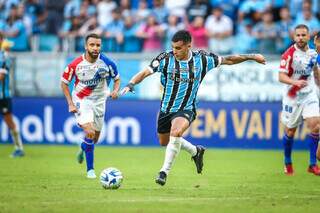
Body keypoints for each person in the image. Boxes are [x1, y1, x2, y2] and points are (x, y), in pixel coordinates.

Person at [121, 30, 266, 186]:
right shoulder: (165, 58)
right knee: (165, 142)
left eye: (178, 48)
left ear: (188, 46)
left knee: (176, 133)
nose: (174, 51)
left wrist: (252, 57)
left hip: (187, 108)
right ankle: (196, 151)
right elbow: (145, 72)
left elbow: (229, 60)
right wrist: (131, 84)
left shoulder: (203, 59)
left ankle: (163, 172)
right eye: (173, 47)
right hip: (165, 108)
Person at [61, 33, 120, 179]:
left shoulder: (108, 63)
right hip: (82, 100)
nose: (95, 48)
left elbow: (117, 79)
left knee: (95, 138)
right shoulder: (75, 64)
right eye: (92, 45)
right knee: (90, 131)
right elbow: (64, 83)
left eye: (98, 45)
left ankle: (83, 148)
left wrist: (115, 91)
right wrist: (70, 103)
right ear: (86, 46)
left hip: (100, 101)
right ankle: (90, 170)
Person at [279, 24, 320, 176]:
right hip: (292, 97)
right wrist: (295, 82)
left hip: (309, 95)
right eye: (298, 35)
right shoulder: (288, 54)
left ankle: (312, 164)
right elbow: (281, 77)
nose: (301, 38)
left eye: (304, 35)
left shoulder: (313, 54)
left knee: (316, 125)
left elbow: (315, 71)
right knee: (290, 130)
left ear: (309, 36)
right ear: (294, 37)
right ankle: (288, 161)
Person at [0, 32, 24, 158]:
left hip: (3, 96)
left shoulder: (4, 56)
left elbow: (2, 77)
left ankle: (19, 147)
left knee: (9, 121)